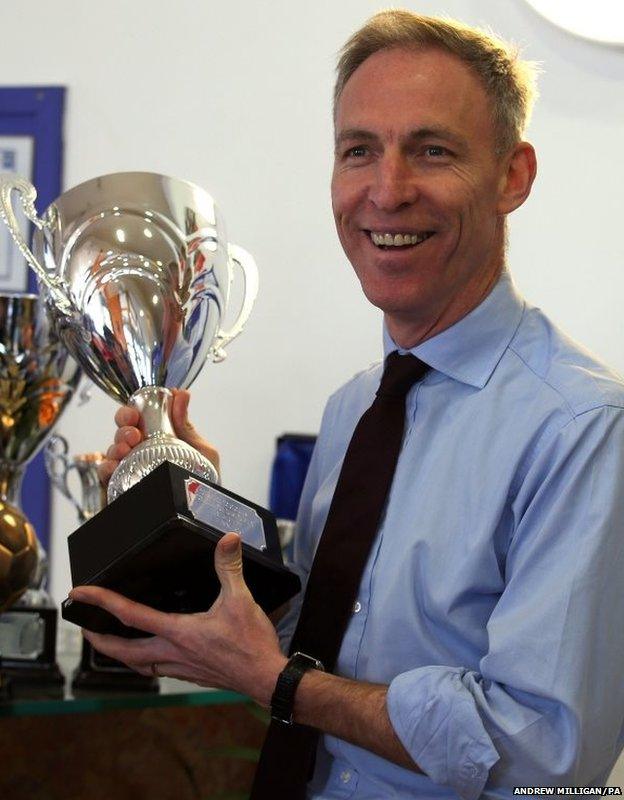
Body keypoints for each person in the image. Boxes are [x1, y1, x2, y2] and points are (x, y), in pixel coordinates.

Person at [71, 10, 624, 797]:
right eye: (359, 151)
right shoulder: (355, 409)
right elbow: (326, 639)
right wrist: (203, 515)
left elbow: (543, 751)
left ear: (513, 176)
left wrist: (282, 687)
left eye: (432, 151)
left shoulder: (583, 429)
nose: (387, 192)